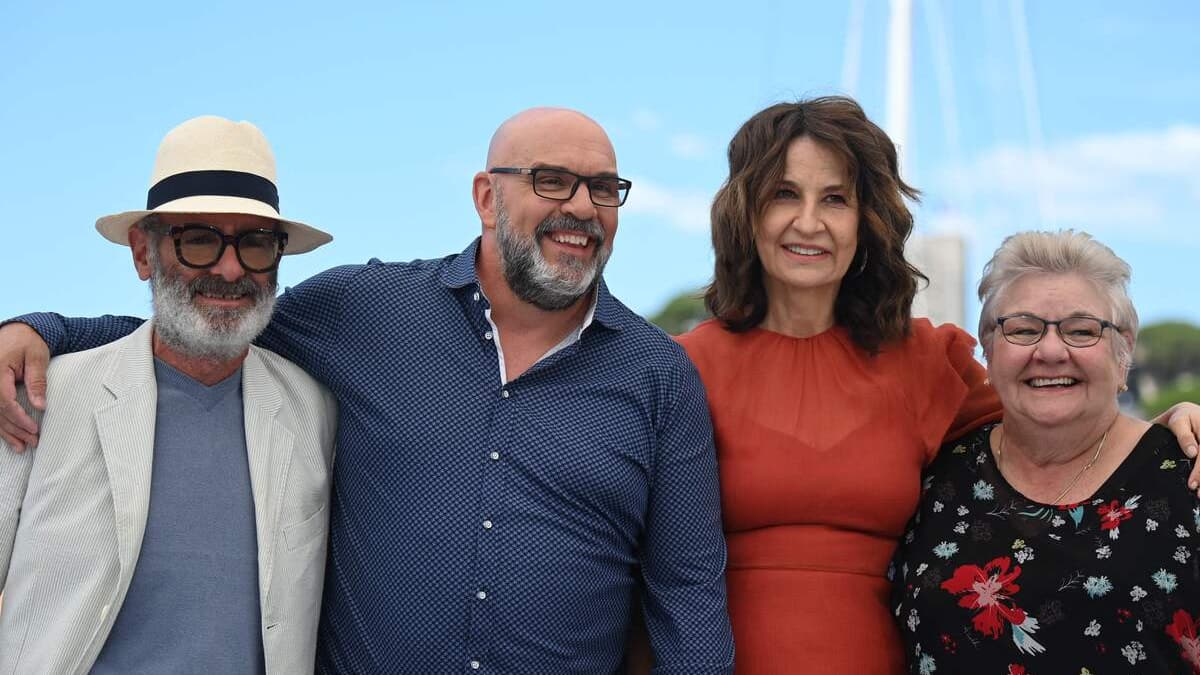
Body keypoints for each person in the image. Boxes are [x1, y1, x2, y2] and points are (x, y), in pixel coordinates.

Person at [0, 107, 734, 673]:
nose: (581, 205)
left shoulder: (657, 377)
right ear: (486, 196)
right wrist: (46, 328)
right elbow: (208, 324)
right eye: (551, 180)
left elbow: (688, 599)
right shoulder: (365, 309)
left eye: (603, 188)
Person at [669, 97, 1200, 674]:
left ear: (866, 220)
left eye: (836, 199)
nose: (809, 222)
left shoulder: (924, 361)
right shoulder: (683, 370)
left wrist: (1170, 426)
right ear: (746, 212)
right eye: (784, 194)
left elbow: (1056, 412)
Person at [0, 116, 337, 673]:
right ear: (142, 252)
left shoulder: (313, 411)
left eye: (255, 243)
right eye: (199, 239)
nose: (231, 270)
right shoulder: (41, 396)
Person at [892, 230, 1200, 674]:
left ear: (1124, 349)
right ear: (990, 349)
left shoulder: (1186, 479)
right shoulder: (932, 482)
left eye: (1081, 330)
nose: (1051, 350)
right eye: (1022, 329)